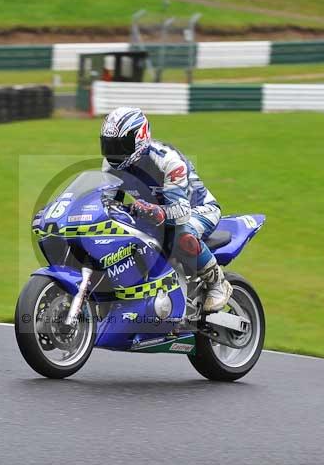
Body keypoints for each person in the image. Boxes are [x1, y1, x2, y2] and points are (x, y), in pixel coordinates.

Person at [99, 106, 232, 312]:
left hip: (198, 210)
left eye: (120, 145)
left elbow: (181, 212)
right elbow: (106, 203)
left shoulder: (167, 161)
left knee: (180, 233)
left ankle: (217, 282)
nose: (113, 152)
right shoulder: (110, 166)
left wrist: (154, 211)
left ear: (139, 138)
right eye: (108, 145)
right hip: (152, 214)